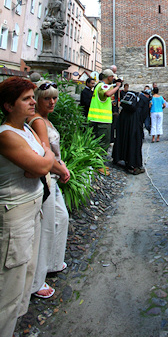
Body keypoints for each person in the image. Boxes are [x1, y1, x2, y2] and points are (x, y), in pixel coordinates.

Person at [0, 77, 55, 337]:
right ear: (9, 106)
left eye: (33, 97)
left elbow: (41, 162)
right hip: (15, 213)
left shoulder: (26, 130)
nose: (34, 102)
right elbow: (43, 165)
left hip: (32, 207)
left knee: (26, 273)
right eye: (26, 98)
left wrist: (42, 157)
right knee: (9, 282)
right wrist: (43, 158)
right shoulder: (6, 135)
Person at [28, 81, 70, 298]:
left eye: (54, 97)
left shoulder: (44, 119)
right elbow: (46, 154)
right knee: (44, 229)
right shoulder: (38, 122)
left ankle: (53, 262)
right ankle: (37, 281)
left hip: (53, 176)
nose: (52, 101)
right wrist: (61, 169)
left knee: (61, 218)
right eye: (47, 98)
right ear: (37, 99)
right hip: (47, 178)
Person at [113, 88, 147, 174]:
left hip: (124, 122)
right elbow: (144, 115)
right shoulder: (141, 103)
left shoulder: (124, 109)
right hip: (134, 125)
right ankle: (133, 163)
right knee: (133, 142)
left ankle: (119, 157)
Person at [87, 69, 122, 151]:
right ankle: (101, 161)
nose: (113, 78)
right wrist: (117, 86)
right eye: (112, 76)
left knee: (96, 143)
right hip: (102, 121)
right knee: (103, 144)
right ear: (109, 77)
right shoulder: (102, 86)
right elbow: (107, 94)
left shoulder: (98, 85)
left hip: (95, 118)